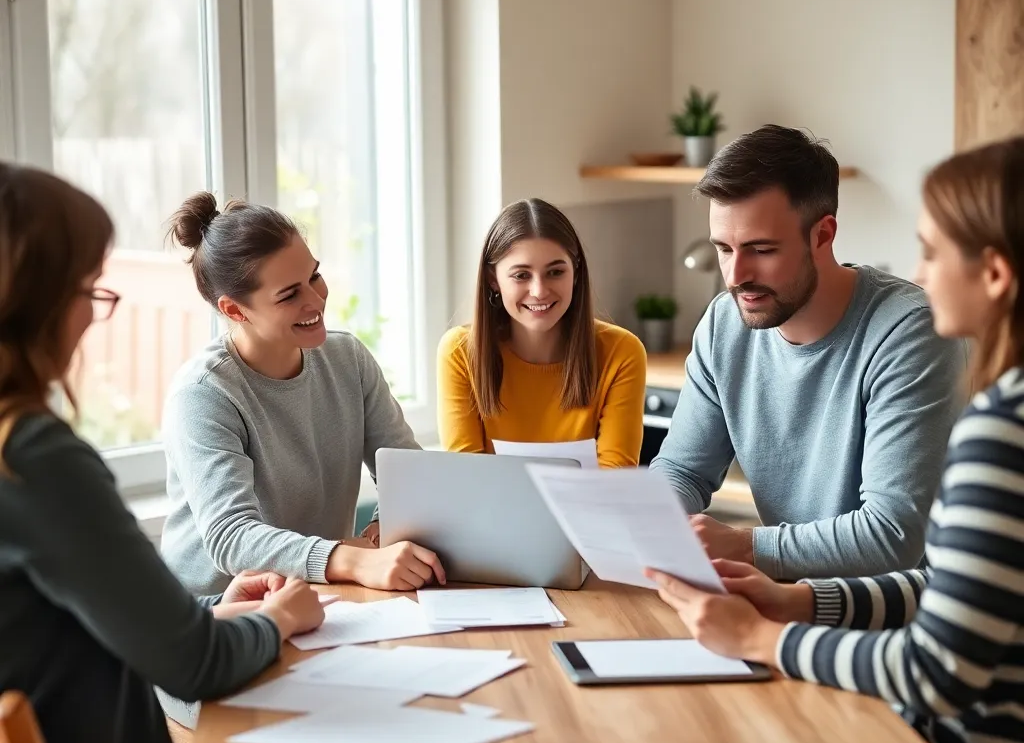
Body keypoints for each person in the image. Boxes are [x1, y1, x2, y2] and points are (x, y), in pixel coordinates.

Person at [0, 163, 471, 743]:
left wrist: (236, 619)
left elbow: (80, 641)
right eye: (84, 291)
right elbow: (195, 654)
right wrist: (280, 616)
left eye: (315, 277)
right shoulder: (36, 459)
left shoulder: (344, 359)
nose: (89, 315)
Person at [645, 137, 1024, 743]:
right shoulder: (1007, 412)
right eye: (723, 249)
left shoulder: (999, 432)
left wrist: (760, 638)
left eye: (931, 250)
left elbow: (934, 669)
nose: (918, 271)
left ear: (997, 273)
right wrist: (799, 602)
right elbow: (950, 589)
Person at [650, 124, 965, 579]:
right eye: (723, 248)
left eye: (761, 249)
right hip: (790, 597)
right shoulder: (724, 323)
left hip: (901, 617)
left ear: (823, 234)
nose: (736, 275)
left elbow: (891, 536)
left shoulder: (909, 332)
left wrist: (743, 545)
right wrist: (647, 523)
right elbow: (682, 469)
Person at [161, 193, 445, 597]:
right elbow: (231, 537)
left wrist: (388, 526)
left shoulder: (349, 359)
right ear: (235, 310)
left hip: (321, 593)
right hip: (220, 612)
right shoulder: (202, 396)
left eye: (314, 276)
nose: (316, 299)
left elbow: (406, 470)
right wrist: (352, 559)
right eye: (289, 294)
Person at [437, 198, 646, 468]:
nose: (539, 290)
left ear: (576, 272)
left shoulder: (621, 352)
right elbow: (466, 476)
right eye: (521, 275)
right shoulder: (459, 352)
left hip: (589, 511)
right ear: (493, 279)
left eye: (555, 272)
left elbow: (615, 478)